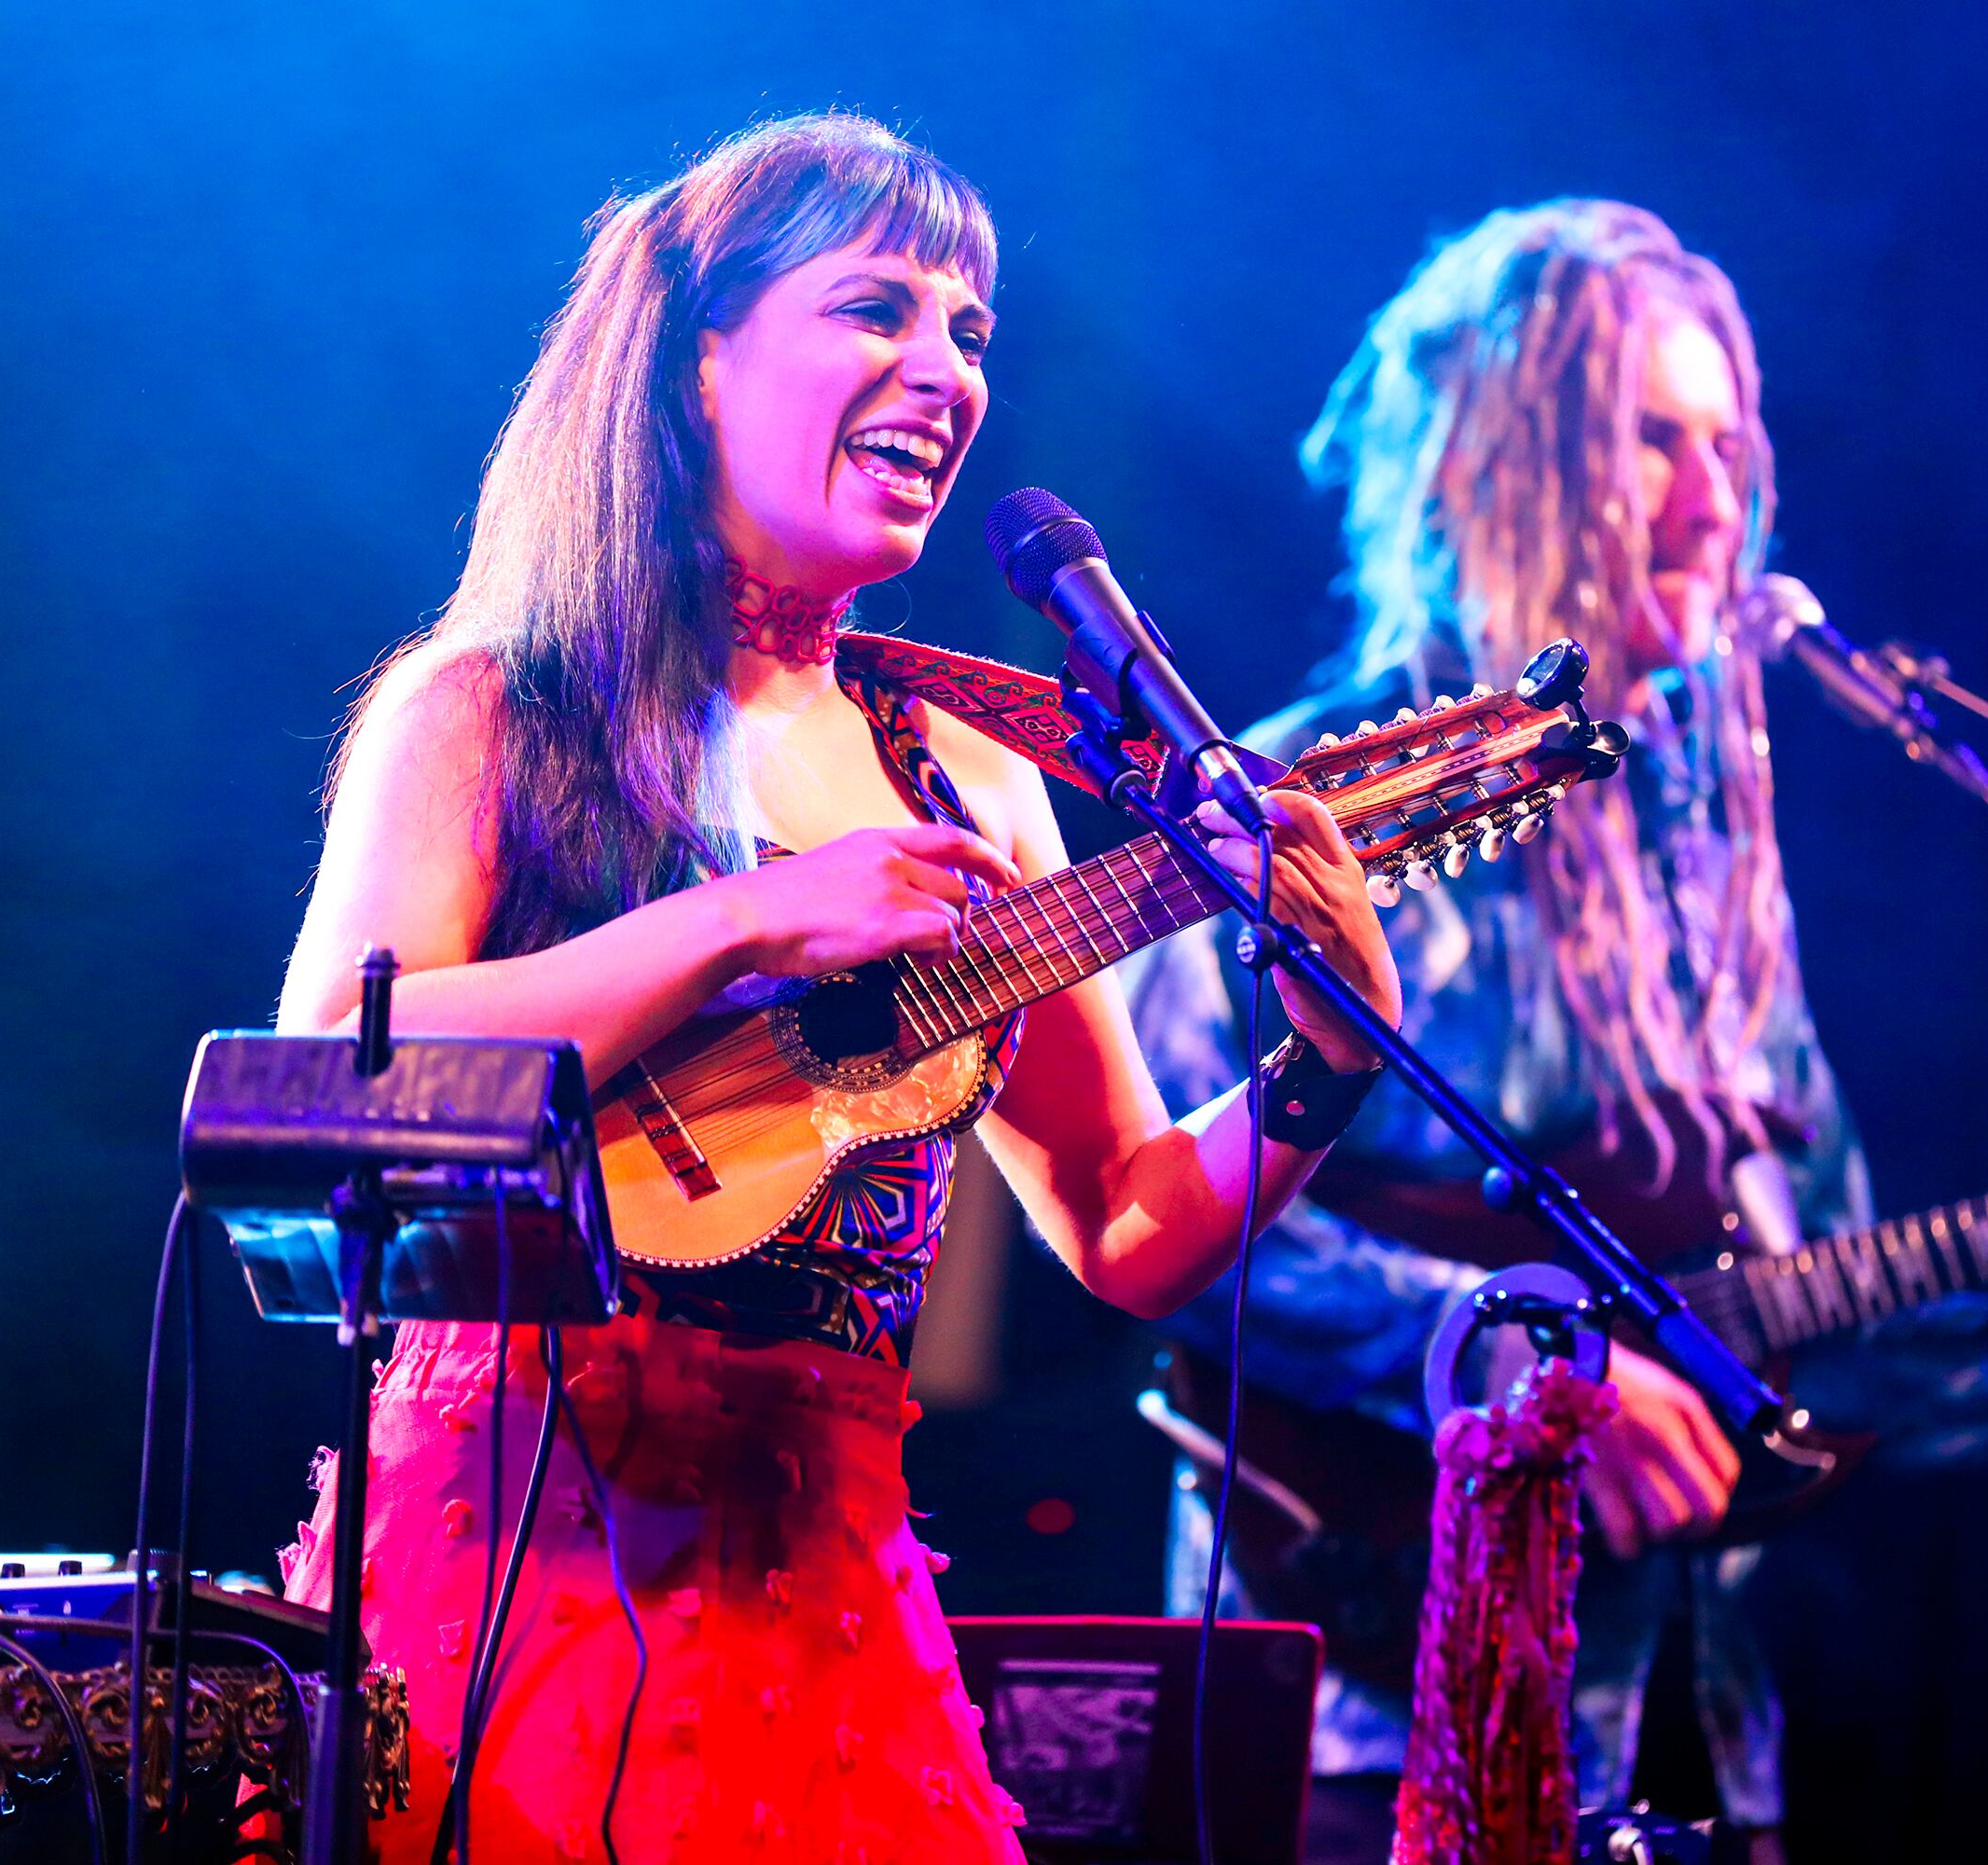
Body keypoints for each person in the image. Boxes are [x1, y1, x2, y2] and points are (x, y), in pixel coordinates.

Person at [1125, 200, 1988, 1865]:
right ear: (1497, 454)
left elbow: (1831, 1315)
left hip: (1691, 1733)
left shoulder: (1718, 870)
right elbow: (1160, 1230)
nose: (1713, 502)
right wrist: (1528, 1358)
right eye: (1649, 440)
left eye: (1726, 443)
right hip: (1365, 1712)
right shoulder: (1302, 806)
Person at [272, 114, 1399, 1865]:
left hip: (832, 1590)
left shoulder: (976, 780)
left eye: (970, 333)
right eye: (878, 308)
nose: (943, 371)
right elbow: (342, 1066)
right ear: (697, 360)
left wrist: (1324, 1063)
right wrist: (742, 925)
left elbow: (1123, 1223)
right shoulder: (492, 711)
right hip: (507, 1566)